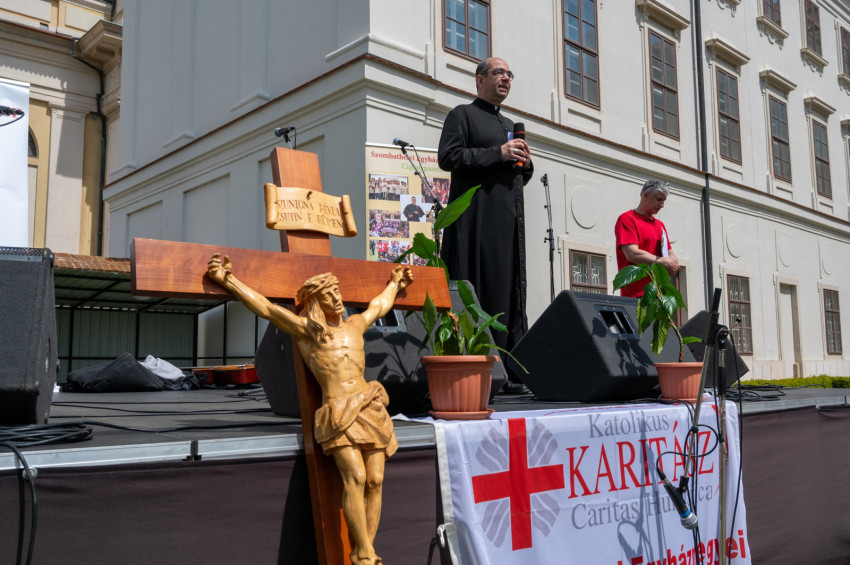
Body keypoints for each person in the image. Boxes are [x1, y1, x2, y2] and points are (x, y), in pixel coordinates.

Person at [207, 254, 413, 565]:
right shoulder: (307, 331)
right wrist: (228, 280)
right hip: (338, 412)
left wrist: (395, 284)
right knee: (356, 477)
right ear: (317, 302)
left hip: (370, 406)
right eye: (329, 295)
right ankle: (365, 554)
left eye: (337, 292)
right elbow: (266, 308)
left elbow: (379, 306)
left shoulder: (355, 324)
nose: (338, 299)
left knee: (375, 480)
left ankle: (364, 552)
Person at [437, 57, 533, 395]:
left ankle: (510, 371)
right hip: (476, 224)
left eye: (509, 74)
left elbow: (516, 177)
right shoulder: (462, 115)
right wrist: (498, 152)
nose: (506, 78)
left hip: (508, 227)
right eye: (499, 73)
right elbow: (449, 157)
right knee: (479, 292)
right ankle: (480, 369)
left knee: (509, 295)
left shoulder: (508, 123)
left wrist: (525, 162)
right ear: (479, 80)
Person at [614, 179, 679, 297]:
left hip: (659, 296)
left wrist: (673, 262)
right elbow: (632, 254)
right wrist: (663, 262)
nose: (662, 205)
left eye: (664, 201)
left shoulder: (660, 225)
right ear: (645, 195)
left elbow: (670, 253)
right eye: (659, 199)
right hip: (636, 296)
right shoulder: (627, 219)